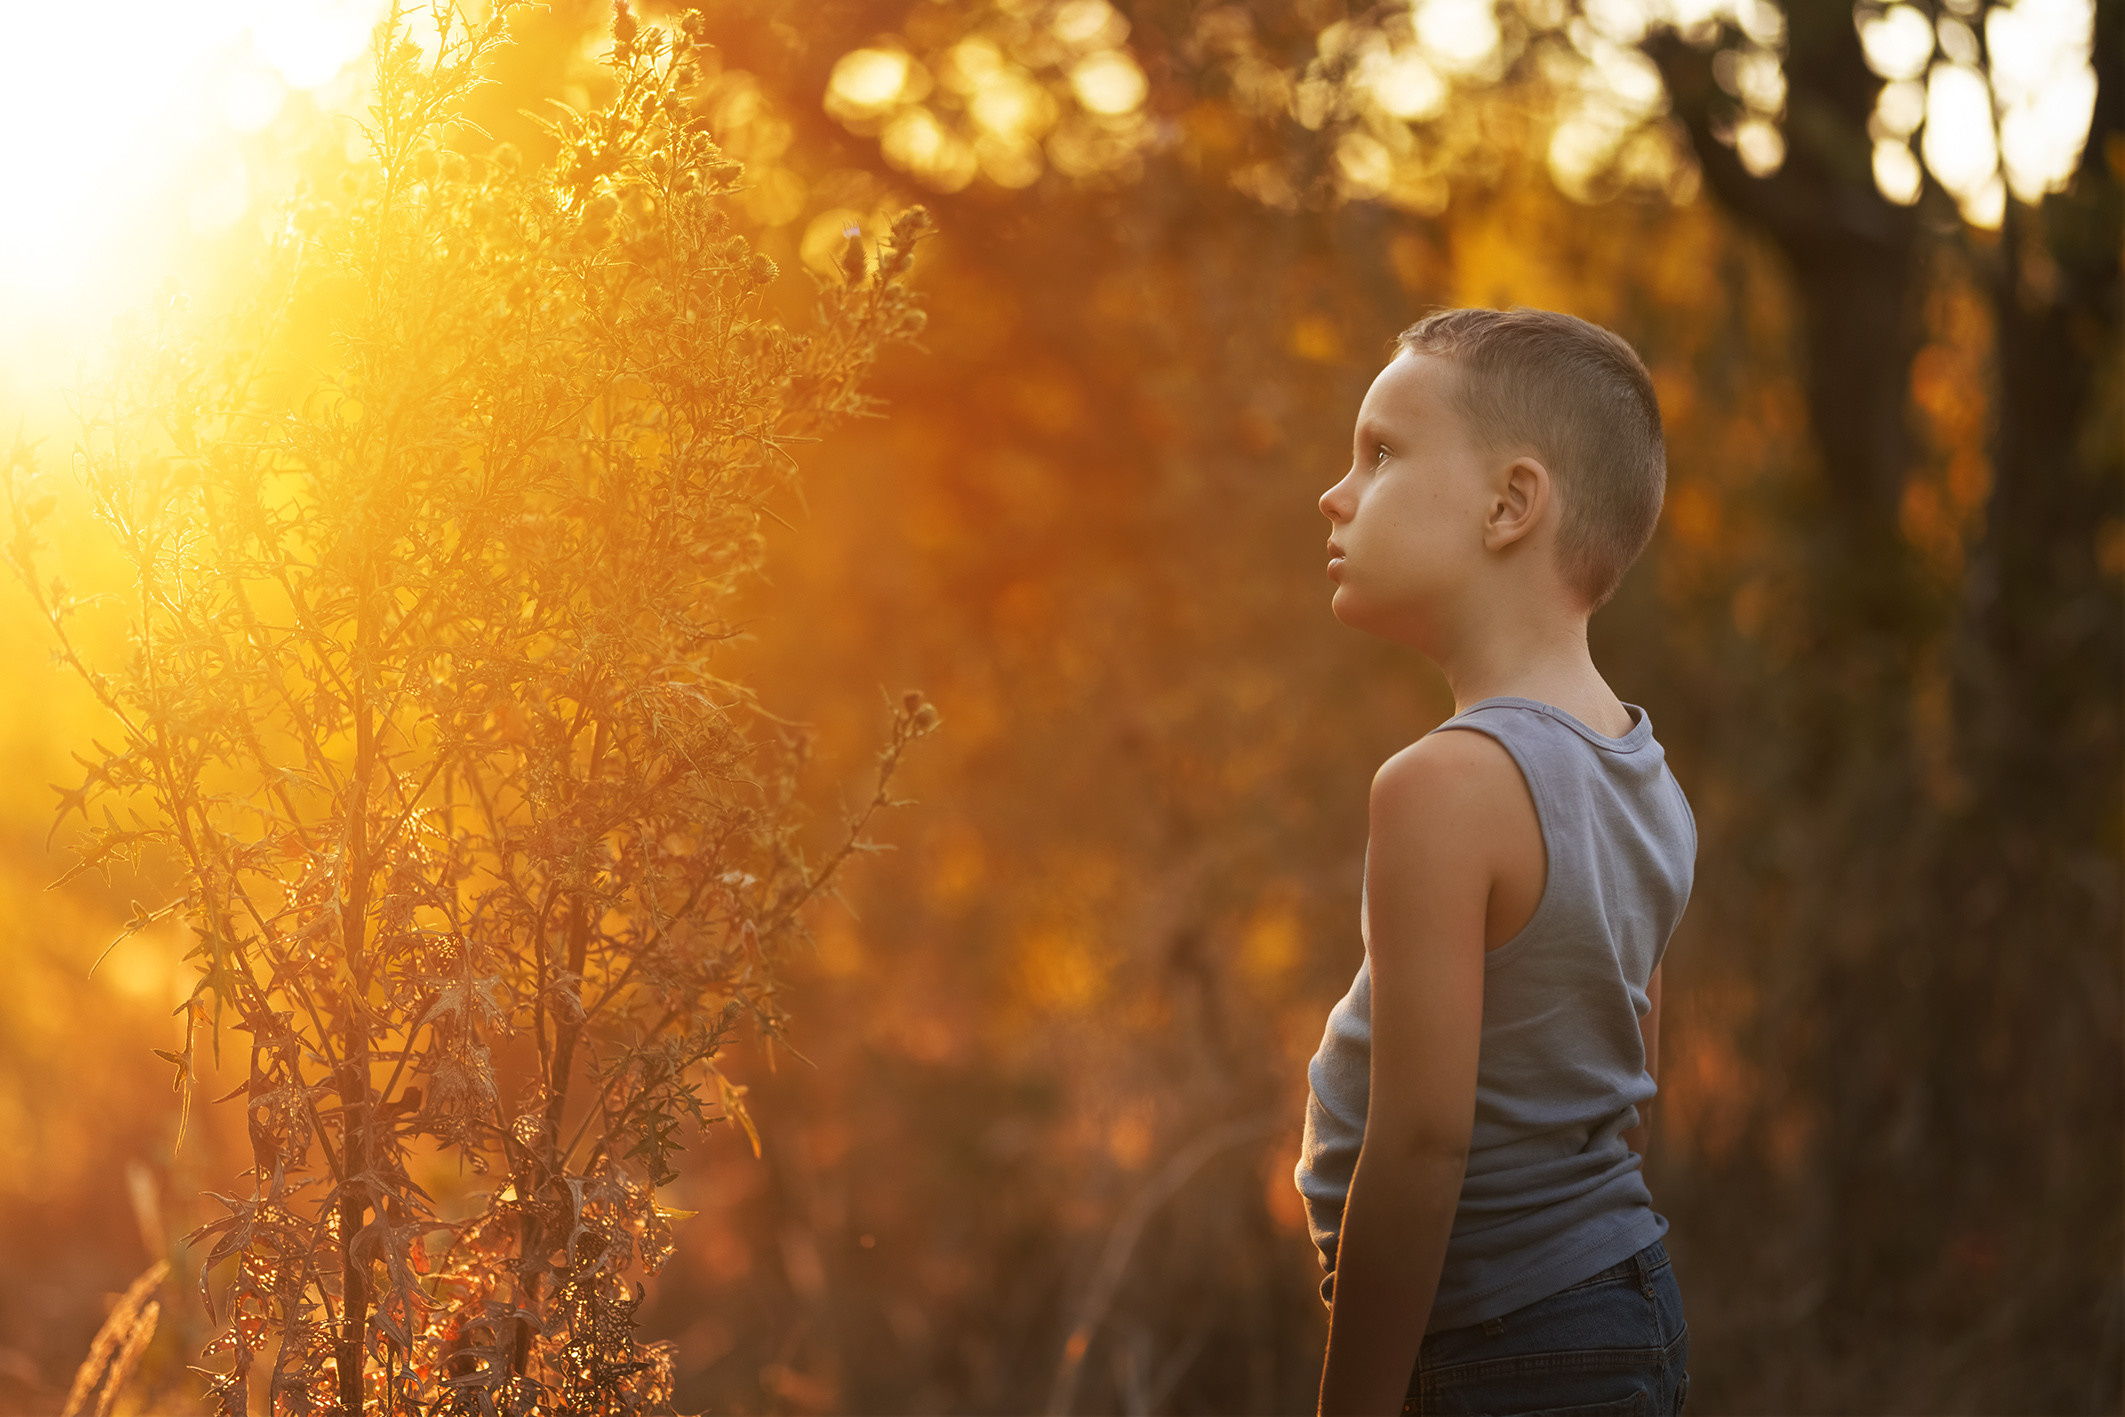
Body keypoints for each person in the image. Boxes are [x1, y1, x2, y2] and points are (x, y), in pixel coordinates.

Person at [1299, 307, 1695, 1416]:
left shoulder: (1441, 785)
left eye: (1379, 454)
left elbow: (1421, 1142)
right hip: (1617, 1307)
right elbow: (1630, 1106)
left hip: (1499, 1344)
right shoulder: (1644, 772)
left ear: (1510, 505)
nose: (1335, 494)